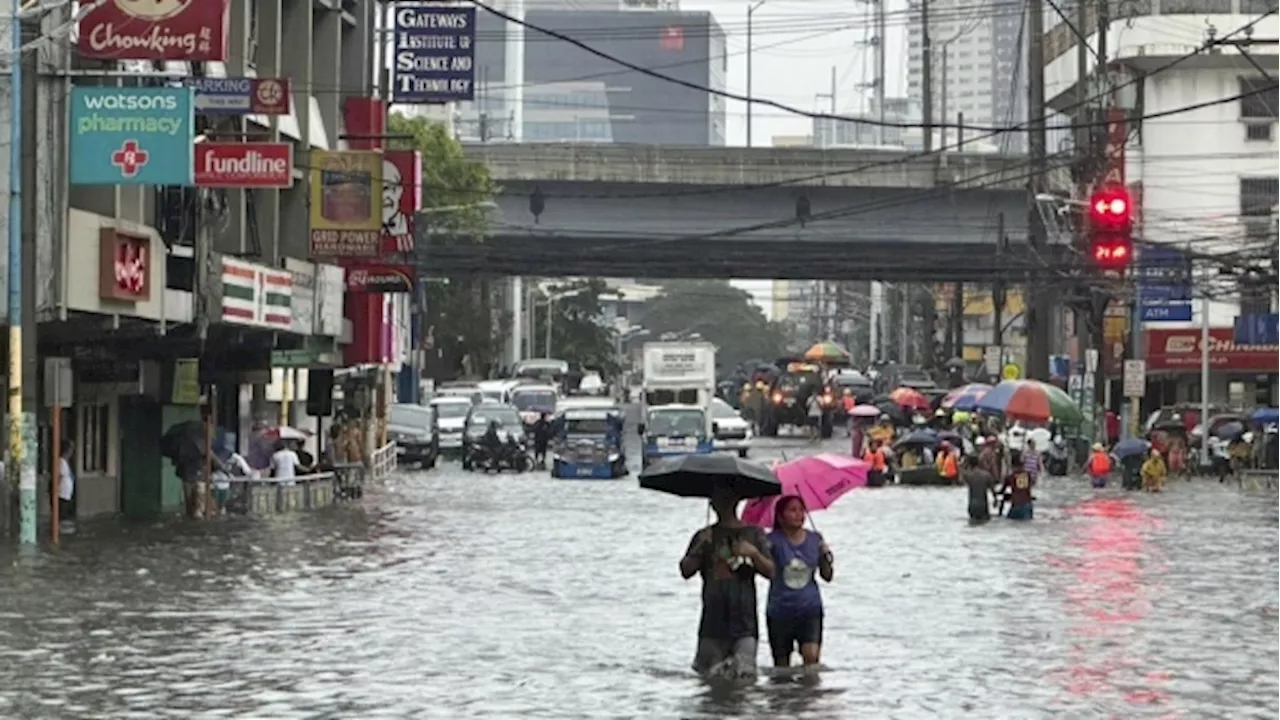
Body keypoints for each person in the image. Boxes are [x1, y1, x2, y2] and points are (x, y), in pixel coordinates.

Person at [680, 486, 775, 680]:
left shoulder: (754, 533)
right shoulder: (704, 535)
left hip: (745, 621)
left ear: (737, 501)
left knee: (745, 679)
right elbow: (685, 571)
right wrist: (700, 548)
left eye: (728, 498)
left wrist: (754, 554)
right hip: (712, 622)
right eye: (719, 499)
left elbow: (771, 572)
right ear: (712, 504)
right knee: (709, 680)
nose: (723, 503)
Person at [765, 496, 833, 669]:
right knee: (781, 667)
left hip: (809, 608)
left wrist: (825, 556)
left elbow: (827, 576)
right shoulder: (771, 541)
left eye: (801, 510)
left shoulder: (815, 539)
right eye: (792, 510)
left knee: (811, 659)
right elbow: (766, 572)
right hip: (780, 610)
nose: (798, 514)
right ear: (780, 517)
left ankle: (807, 695)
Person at [963, 454, 998, 523]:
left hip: (972, 506)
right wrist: (995, 500)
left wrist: (963, 466)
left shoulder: (968, 475)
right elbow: (993, 491)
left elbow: (960, 480)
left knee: (973, 524)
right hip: (983, 505)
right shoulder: (987, 475)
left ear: (969, 464)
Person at [1001, 450, 1035, 520]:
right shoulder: (1028, 475)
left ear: (1012, 465)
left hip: (1016, 505)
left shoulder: (1010, 477)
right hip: (1027, 505)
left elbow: (1002, 491)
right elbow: (1026, 487)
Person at [57, 438, 75, 528]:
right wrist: (56, 488)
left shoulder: (65, 461)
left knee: (66, 506)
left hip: (67, 490)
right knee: (63, 508)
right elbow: (59, 475)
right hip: (62, 491)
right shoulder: (61, 461)